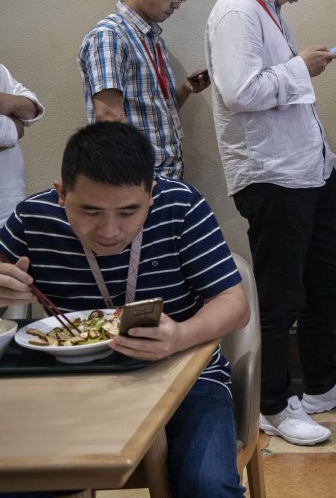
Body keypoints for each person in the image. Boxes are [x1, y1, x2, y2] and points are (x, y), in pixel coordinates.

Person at [0, 122, 250, 496]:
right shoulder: (31, 220)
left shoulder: (180, 205)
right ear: (61, 194)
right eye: (90, 211)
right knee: (15, 479)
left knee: (207, 486)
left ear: (151, 195)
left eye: (128, 212)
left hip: (183, 374)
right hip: (67, 383)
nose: (110, 231)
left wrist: (180, 335)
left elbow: (234, 304)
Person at [206, 0, 336, 447]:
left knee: (324, 278)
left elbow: (270, 84)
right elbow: (238, 92)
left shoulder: (266, 7)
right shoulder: (236, 9)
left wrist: (303, 66)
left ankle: (323, 381)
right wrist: (302, 68)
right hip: (273, 176)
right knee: (281, 294)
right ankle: (274, 406)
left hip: (307, 172)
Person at [77, 0, 210, 180]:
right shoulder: (110, 35)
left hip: (167, 176)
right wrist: (137, 184)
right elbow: (110, 118)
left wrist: (185, 90)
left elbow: (153, 113)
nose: (177, 5)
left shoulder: (152, 38)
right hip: (139, 179)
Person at [0, 63, 43, 225]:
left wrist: (7, 102)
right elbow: (13, 131)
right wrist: (15, 125)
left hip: (9, 206)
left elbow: (32, 110)